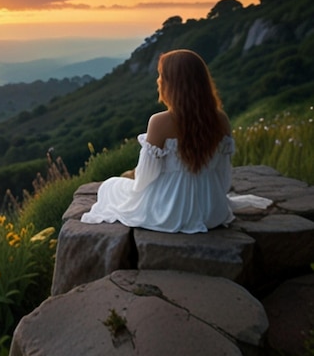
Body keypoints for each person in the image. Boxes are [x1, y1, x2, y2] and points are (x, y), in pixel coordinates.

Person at [80, 49, 235, 233]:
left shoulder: (160, 122)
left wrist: (131, 178)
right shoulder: (221, 119)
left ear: (173, 84)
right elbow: (223, 173)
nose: (158, 80)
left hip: (169, 212)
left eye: (162, 76)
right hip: (212, 211)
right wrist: (216, 196)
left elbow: (146, 177)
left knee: (110, 187)